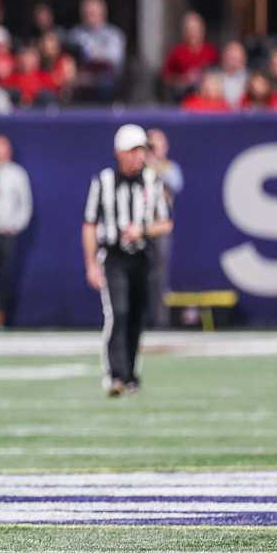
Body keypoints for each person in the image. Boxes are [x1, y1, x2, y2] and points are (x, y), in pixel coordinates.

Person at [82, 124, 173, 397]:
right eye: (133, 150)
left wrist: (142, 231)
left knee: (135, 316)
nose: (138, 156)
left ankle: (131, 374)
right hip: (113, 256)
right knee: (118, 313)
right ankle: (115, 374)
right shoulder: (103, 181)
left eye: (141, 150)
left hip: (143, 256)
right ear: (120, 152)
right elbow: (89, 224)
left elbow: (166, 223)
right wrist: (90, 264)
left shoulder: (153, 181)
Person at [0, 135, 32, 328]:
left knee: (5, 276)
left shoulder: (17, 174)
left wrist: (15, 226)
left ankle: (1, 317)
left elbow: (25, 205)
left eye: (1, 148)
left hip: (6, 234)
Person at [145, 128, 182, 329]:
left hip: (160, 226)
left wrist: (154, 164)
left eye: (156, 144)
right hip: (139, 226)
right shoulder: (138, 166)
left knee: (160, 275)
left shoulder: (169, 167)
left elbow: (176, 184)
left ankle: (160, 321)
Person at [68, 0, 125, 102]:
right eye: (86, 12)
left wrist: (90, 55)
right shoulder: (76, 34)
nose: (89, 15)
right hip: (80, 78)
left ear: (102, 13)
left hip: (106, 80)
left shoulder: (114, 34)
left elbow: (113, 60)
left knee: (105, 86)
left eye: (92, 12)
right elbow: (71, 59)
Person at [161, 12, 218, 100]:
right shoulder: (177, 52)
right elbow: (166, 77)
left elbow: (218, 74)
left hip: (207, 99)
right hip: (183, 97)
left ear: (202, 30)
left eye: (196, 29)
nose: (193, 32)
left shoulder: (210, 51)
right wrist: (183, 80)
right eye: (189, 29)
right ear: (184, 31)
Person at [220, 41, 248, 107]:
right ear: (224, 57)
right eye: (231, 58)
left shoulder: (251, 78)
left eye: (236, 58)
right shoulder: (214, 77)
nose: (233, 63)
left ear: (244, 58)